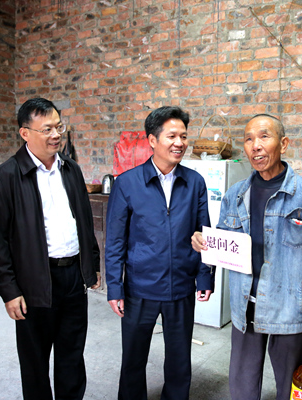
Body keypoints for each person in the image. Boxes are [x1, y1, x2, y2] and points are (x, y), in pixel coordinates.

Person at [192, 114, 302, 400]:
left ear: (283, 144)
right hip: (245, 306)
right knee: (242, 387)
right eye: (248, 139)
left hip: (290, 309)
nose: (255, 146)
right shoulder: (235, 195)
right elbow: (223, 244)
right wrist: (204, 243)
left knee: (290, 387)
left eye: (264, 137)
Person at [0, 97, 100, 400]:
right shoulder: (4, 177)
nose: (56, 135)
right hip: (33, 281)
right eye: (46, 129)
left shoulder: (71, 170)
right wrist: (9, 290)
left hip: (73, 276)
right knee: (35, 360)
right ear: (25, 133)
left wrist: (92, 264)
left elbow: (83, 221)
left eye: (59, 127)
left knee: (72, 354)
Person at [105, 106, 214, 400]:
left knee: (179, 361)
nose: (179, 143)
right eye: (172, 136)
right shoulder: (127, 183)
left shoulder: (195, 182)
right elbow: (115, 241)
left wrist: (205, 276)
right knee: (133, 358)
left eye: (183, 136)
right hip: (140, 286)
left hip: (181, 285)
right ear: (152, 140)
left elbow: (203, 233)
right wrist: (114, 286)